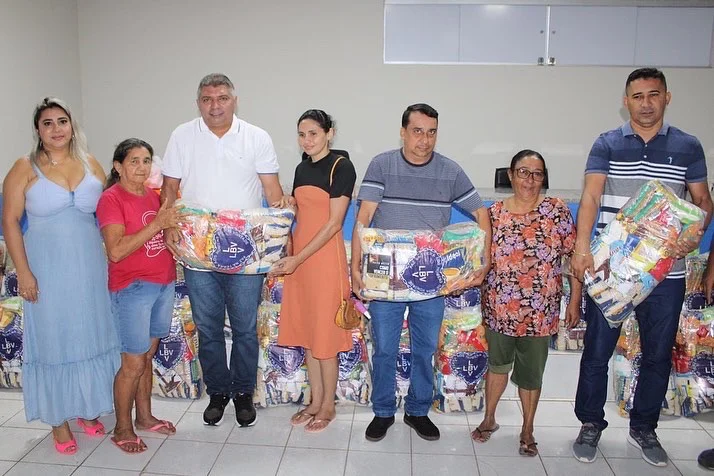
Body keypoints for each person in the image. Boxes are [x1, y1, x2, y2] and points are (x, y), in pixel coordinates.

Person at [570, 68, 713, 467]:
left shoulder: (688, 145)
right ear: (626, 100)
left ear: (667, 97)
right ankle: (590, 424)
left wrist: (695, 232)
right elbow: (590, 197)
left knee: (656, 354)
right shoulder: (607, 143)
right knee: (597, 351)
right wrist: (583, 250)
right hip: (614, 270)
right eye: (637, 96)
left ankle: (644, 427)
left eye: (653, 95)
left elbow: (702, 200)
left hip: (667, 273)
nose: (645, 103)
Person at [351, 103, 492, 442]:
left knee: (425, 348)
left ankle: (417, 411)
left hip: (432, 280)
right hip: (387, 281)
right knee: (384, 348)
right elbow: (363, 220)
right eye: (417, 131)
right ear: (403, 131)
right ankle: (383, 412)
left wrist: (483, 260)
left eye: (431, 132)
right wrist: (355, 269)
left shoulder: (450, 171)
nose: (425, 140)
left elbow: (481, 214)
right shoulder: (382, 164)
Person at [161, 73, 285, 427]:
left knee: (245, 327)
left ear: (234, 100)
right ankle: (218, 392)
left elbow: (272, 190)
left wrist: (283, 221)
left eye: (222, 98)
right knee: (208, 326)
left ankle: (244, 393)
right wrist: (169, 222)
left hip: (245, 253)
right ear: (198, 102)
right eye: (207, 99)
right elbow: (169, 188)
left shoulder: (257, 137)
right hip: (197, 251)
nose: (214, 106)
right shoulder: (181, 136)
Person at [1, 97, 119, 454]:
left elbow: (113, 203)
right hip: (47, 268)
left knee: (89, 334)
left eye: (62, 121)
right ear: (38, 130)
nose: (56, 129)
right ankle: (58, 420)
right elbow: (9, 222)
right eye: (48, 123)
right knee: (55, 339)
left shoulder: (90, 162)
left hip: (89, 268)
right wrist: (23, 273)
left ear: (72, 126)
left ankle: (85, 408)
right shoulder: (24, 167)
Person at [470, 149, 581, 456]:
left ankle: (527, 428)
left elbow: (573, 258)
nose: (530, 180)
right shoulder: (492, 214)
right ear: (510, 175)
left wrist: (574, 302)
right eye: (523, 172)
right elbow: (479, 260)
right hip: (500, 309)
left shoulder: (557, 211)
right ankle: (489, 419)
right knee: (497, 367)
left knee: (531, 374)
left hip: (541, 312)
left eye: (537, 174)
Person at [269, 109, 356, 433]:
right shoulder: (301, 167)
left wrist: (298, 258)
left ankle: (329, 406)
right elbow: (306, 212)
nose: (307, 140)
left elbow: (333, 224)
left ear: (329, 133)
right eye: (302, 135)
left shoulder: (341, 166)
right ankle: (315, 400)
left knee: (325, 337)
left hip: (322, 261)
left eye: (314, 134)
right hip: (300, 262)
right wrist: (289, 204)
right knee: (308, 334)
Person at [96, 138, 180, 453]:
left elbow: (163, 233)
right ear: (118, 167)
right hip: (131, 289)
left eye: (146, 160)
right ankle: (122, 428)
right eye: (134, 161)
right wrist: (159, 222)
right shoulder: (110, 199)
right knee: (132, 363)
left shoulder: (153, 196)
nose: (142, 167)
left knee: (146, 357)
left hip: (162, 284)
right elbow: (116, 251)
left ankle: (144, 417)